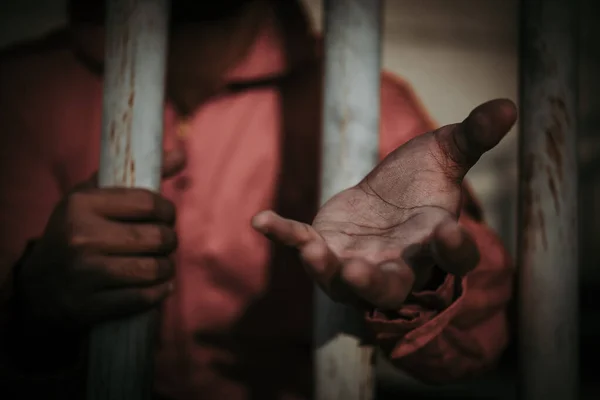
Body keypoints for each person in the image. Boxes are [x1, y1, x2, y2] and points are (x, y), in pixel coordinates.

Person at [0, 1, 516, 399]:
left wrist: (426, 284)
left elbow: (483, 337)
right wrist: (31, 303)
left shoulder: (360, 100)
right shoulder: (21, 90)